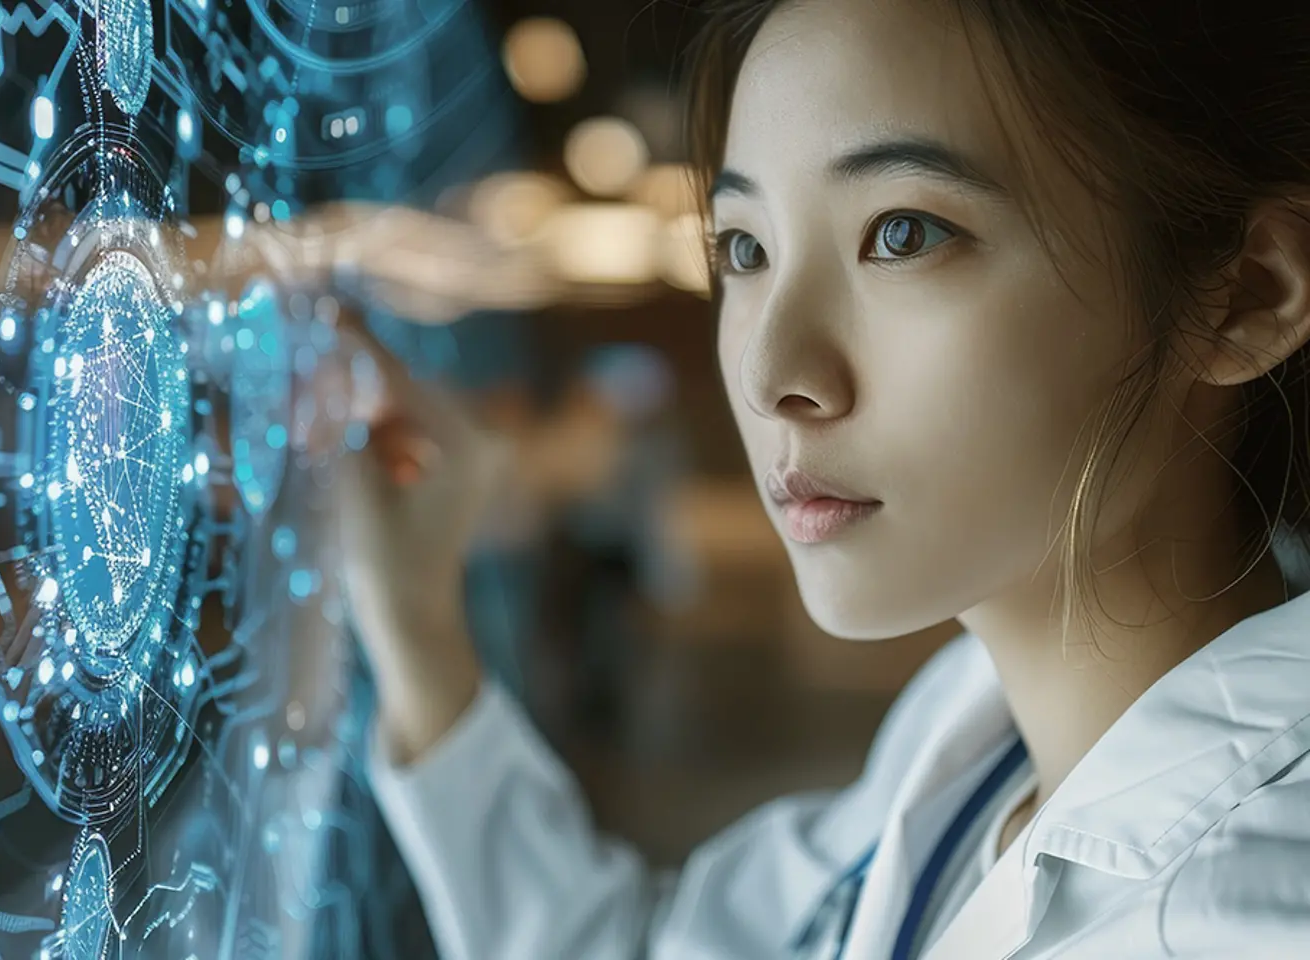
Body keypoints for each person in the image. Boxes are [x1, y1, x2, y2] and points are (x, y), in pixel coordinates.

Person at [323, 0, 1310, 957]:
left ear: (1246, 295)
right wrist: (417, 625)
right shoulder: (978, 739)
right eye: (745, 249)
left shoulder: (1247, 921)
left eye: (904, 233)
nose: (769, 375)